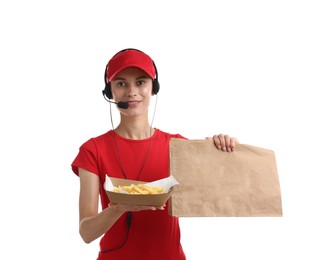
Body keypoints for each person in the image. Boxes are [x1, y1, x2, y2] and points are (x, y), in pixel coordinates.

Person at [71, 48, 238, 260]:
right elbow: (86, 233)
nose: (131, 92)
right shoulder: (92, 150)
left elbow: (218, 192)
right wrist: (119, 208)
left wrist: (222, 150)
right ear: (109, 91)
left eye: (140, 82)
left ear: (153, 88)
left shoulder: (177, 146)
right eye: (121, 83)